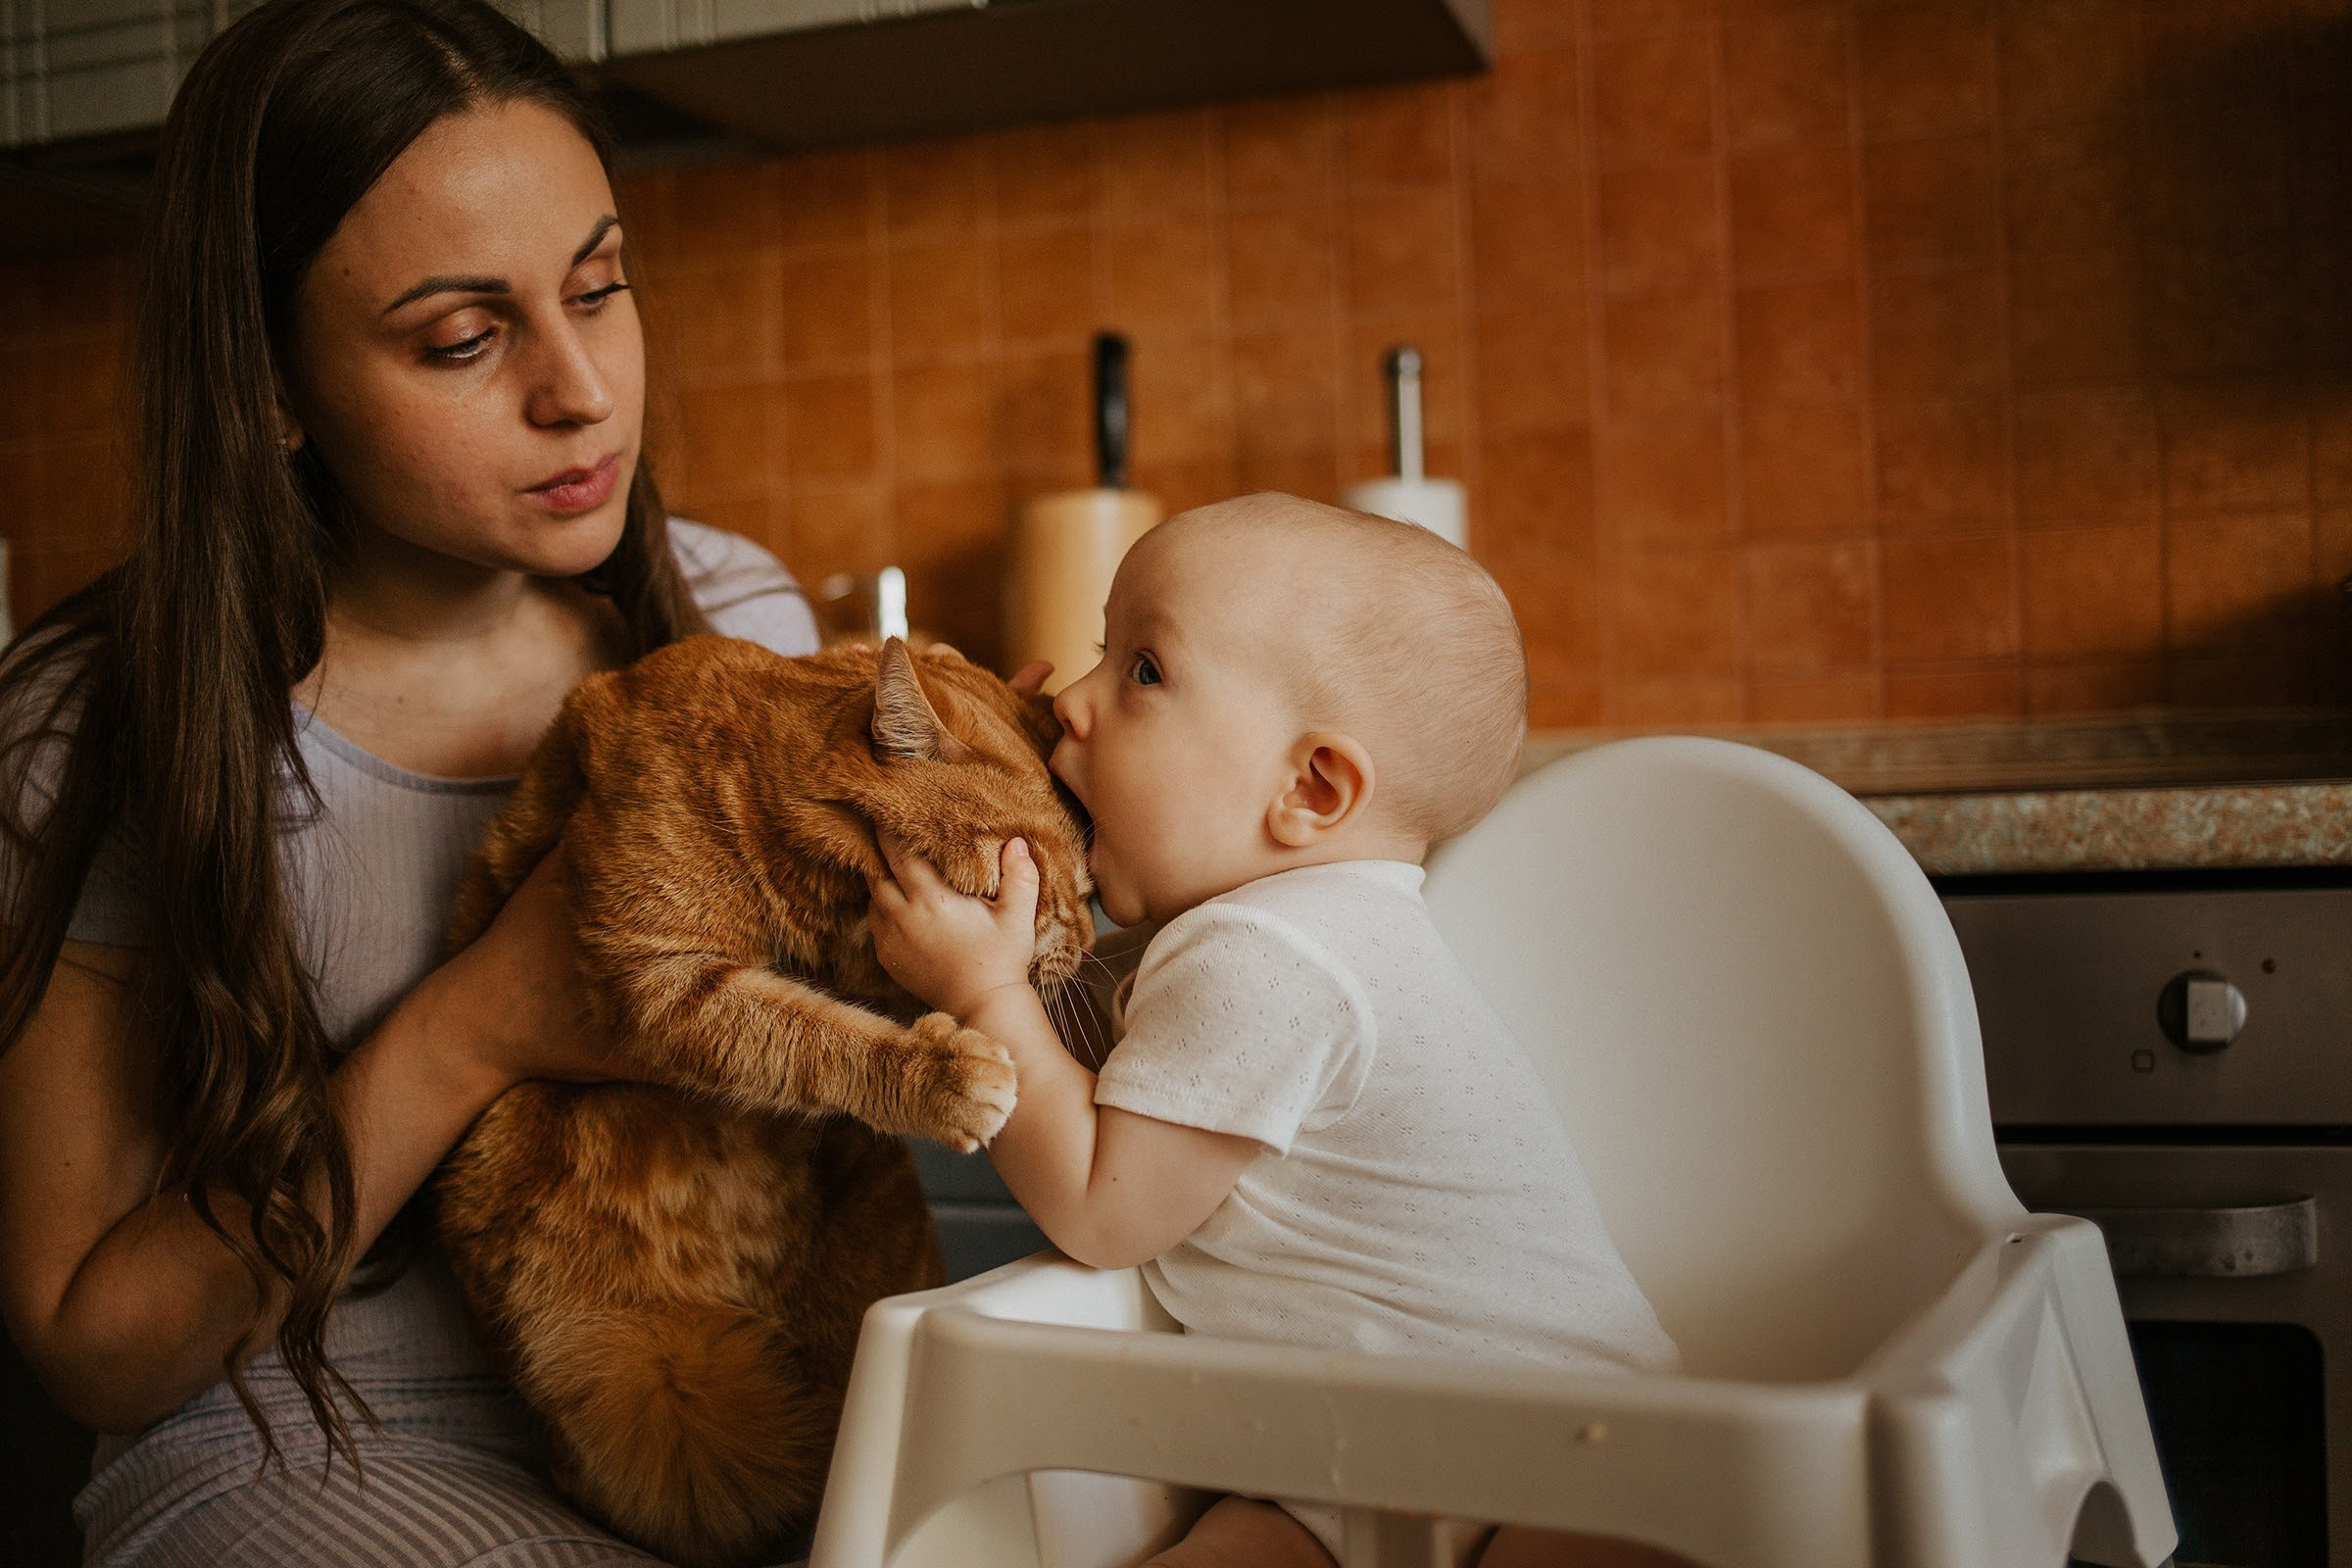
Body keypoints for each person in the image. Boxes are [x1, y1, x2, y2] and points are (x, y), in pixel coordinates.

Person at [0, 0, 820, 1561]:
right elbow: (95, 1350)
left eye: (600, 287)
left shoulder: (733, 619)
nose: (581, 389)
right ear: (271, 385)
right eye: (462, 339)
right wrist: (479, 1021)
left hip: (699, 1426)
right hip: (298, 1446)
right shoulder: (102, 720)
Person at [865, 493, 1688, 1568]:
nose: (1071, 699)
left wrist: (986, 995)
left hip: (1563, 1456)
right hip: (1334, 1470)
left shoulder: (1268, 952)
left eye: (1142, 670)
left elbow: (1106, 1212)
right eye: (1101, 655)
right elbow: (1110, 1078)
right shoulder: (1292, 931)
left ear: (1310, 787)